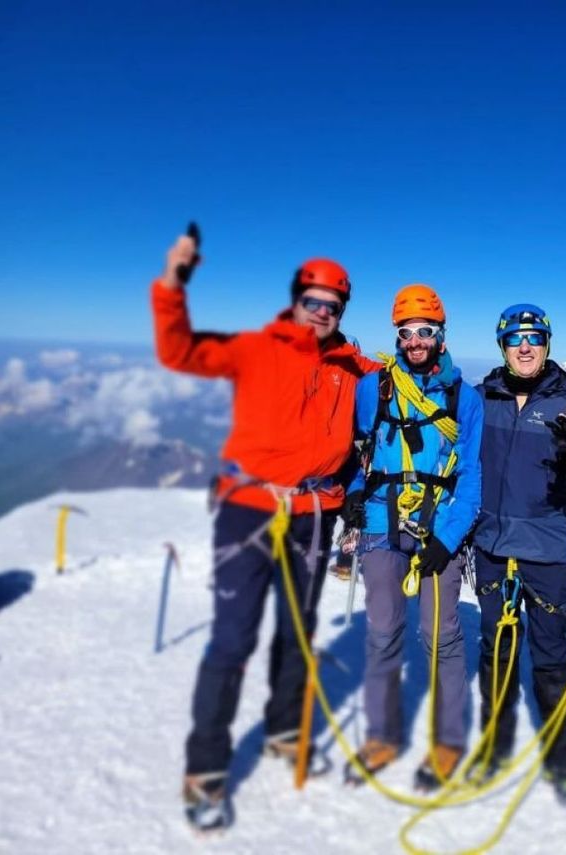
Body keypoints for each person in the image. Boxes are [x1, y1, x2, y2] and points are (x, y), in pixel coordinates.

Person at [152, 228, 379, 832]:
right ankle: (205, 770)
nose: (322, 313)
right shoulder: (256, 348)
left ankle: (283, 731)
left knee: (298, 636)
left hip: (313, 515)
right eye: (314, 302)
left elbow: (409, 382)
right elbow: (179, 352)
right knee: (232, 641)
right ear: (295, 301)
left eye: (333, 306)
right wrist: (174, 284)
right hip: (249, 510)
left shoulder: (354, 368)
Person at [339, 284, 483, 792]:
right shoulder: (374, 389)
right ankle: (382, 736)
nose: (416, 340)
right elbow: (365, 456)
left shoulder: (466, 398)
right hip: (381, 525)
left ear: (441, 336)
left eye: (426, 331)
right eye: (407, 332)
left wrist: (446, 539)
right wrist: (355, 492)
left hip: (437, 526)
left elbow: (471, 478)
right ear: (397, 337)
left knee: (440, 636)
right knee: (382, 633)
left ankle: (447, 742)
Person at [471, 304, 566, 804]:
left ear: (546, 345)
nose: (526, 347)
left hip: (545, 551)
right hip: (492, 549)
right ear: (503, 345)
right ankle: (495, 748)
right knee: (496, 650)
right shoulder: (482, 400)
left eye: (535, 338)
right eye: (516, 338)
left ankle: (559, 758)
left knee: (549, 657)